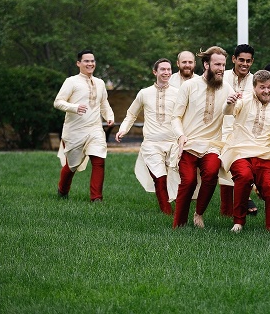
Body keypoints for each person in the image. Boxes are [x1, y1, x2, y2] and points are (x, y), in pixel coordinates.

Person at [220, 70, 270, 233]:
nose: (266, 91)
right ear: (254, 87)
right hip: (239, 153)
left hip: (265, 155)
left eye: (269, 87)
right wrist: (229, 102)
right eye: (262, 87)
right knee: (244, 177)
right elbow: (228, 111)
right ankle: (238, 222)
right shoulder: (243, 100)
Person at [171, 46, 233, 228]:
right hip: (188, 143)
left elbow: (229, 113)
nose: (221, 69)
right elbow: (176, 117)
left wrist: (231, 104)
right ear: (206, 64)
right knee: (188, 181)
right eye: (217, 64)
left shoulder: (227, 87)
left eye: (223, 65)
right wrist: (181, 136)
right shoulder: (189, 86)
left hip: (212, 145)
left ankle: (199, 214)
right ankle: (179, 223)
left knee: (211, 174)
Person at [115, 58, 178, 215]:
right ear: (155, 72)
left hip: (173, 143)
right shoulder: (144, 93)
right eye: (162, 69)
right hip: (151, 143)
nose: (166, 72)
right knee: (159, 177)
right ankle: (167, 212)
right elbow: (131, 114)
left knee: (174, 178)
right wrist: (123, 129)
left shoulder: (178, 93)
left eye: (169, 69)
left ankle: (178, 208)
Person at [54, 49, 115, 201]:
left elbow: (104, 103)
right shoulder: (71, 81)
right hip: (75, 130)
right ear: (78, 63)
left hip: (95, 129)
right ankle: (62, 190)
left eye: (92, 61)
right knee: (72, 166)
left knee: (99, 161)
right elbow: (58, 102)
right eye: (86, 61)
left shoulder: (100, 83)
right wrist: (75, 108)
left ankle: (96, 198)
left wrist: (109, 117)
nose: (90, 63)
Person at [221, 43, 256, 216]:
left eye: (248, 61)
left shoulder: (255, 80)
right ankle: (226, 208)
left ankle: (241, 201)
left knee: (242, 164)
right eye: (241, 60)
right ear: (233, 59)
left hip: (244, 129)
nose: (244, 64)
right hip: (221, 125)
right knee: (223, 164)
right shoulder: (223, 76)